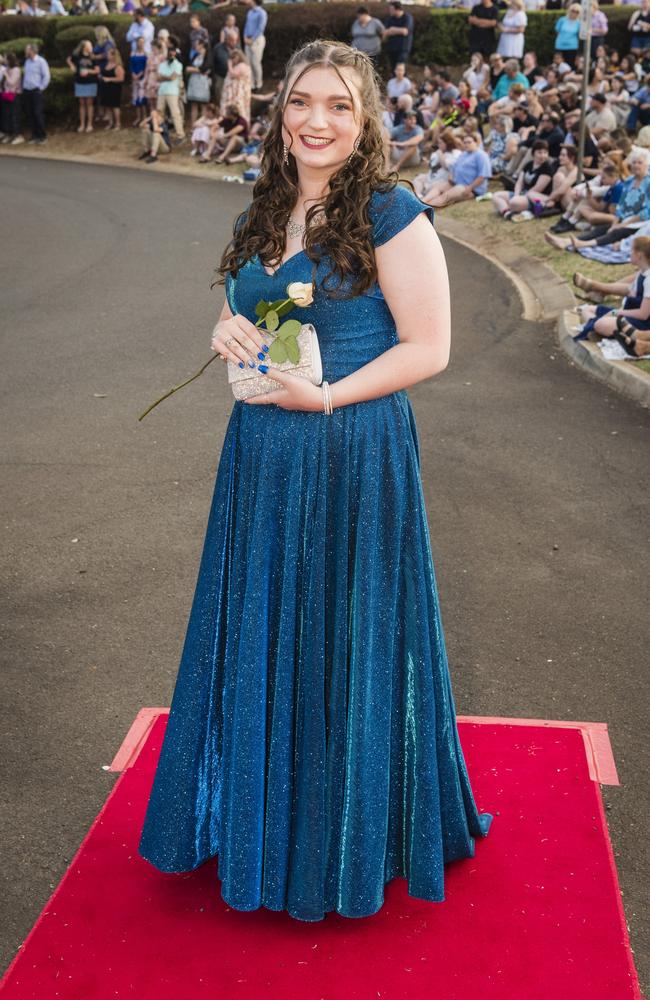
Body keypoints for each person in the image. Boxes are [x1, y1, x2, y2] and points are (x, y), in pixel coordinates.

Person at [137, 38, 493, 923]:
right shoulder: (264, 207)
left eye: (337, 105)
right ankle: (259, 821)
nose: (317, 121)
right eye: (301, 103)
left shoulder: (391, 211)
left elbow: (431, 349)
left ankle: (340, 840)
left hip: (352, 449)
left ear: (365, 116)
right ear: (280, 111)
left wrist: (328, 397)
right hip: (261, 450)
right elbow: (240, 304)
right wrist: (224, 330)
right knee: (265, 623)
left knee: (345, 630)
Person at [423, 131, 492, 207]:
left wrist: (470, 188)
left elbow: (482, 176)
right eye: (465, 142)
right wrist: (451, 175)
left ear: (476, 143)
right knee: (438, 187)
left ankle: (425, 208)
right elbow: (454, 167)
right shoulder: (464, 154)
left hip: (469, 187)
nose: (466, 144)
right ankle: (423, 201)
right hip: (455, 182)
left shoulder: (481, 155)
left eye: (469, 142)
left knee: (446, 196)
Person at [66, 39, 99, 134]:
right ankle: (82, 124)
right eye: (90, 46)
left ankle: (89, 124)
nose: (91, 47)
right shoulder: (77, 56)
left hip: (90, 82)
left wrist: (88, 71)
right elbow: (68, 59)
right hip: (79, 82)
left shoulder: (93, 58)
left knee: (89, 104)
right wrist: (72, 66)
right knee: (81, 104)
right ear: (84, 47)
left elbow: (97, 70)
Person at [22, 43, 49, 145]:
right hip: (27, 90)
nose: (25, 51)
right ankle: (34, 135)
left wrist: (41, 88)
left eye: (27, 50)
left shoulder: (41, 61)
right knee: (30, 114)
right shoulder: (27, 62)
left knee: (37, 113)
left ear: (32, 51)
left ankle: (42, 136)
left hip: (36, 91)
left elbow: (46, 76)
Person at [157, 43, 185, 142]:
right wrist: (167, 78)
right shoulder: (162, 65)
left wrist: (164, 77)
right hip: (162, 91)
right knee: (159, 113)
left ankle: (180, 135)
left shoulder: (178, 65)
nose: (171, 55)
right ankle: (160, 133)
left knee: (175, 113)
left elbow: (173, 77)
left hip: (172, 91)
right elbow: (158, 78)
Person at [220, 48, 252, 125]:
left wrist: (229, 64)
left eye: (233, 58)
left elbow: (233, 74)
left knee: (239, 110)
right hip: (232, 94)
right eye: (231, 58)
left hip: (238, 94)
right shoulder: (237, 66)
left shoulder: (243, 66)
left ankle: (241, 127)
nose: (232, 60)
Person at [98, 45, 124, 130]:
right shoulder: (107, 64)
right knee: (107, 106)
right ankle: (110, 122)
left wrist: (109, 79)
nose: (107, 55)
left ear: (113, 56)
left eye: (108, 54)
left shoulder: (118, 66)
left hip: (114, 89)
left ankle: (118, 123)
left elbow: (121, 78)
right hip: (106, 88)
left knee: (115, 106)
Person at [383, 1, 414, 73]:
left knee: (400, 70)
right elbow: (385, 32)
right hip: (391, 49)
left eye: (391, 10)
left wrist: (392, 29)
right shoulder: (390, 19)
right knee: (393, 70)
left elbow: (405, 31)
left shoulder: (407, 17)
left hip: (403, 49)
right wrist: (395, 31)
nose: (390, 11)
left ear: (398, 9)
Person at [243, 0, 267, 93]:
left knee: (255, 62)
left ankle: (259, 84)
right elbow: (246, 26)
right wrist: (245, 37)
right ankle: (252, 84)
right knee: (248, 63)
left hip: (257, 40)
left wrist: (252, 39)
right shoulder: (249, 12)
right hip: (247, 40)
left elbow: (261, 28)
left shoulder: (262, 13)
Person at [1, 53, 22, 145]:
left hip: (14, 95)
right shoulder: (7, 69)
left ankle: (17, 135)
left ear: (9, 60)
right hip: (6, 94)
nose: (4, 61)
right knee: (7, 116)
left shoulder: (16, 70)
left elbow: (12, 82)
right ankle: (9, 134)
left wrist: (6, 74)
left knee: (14, 116)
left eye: (5, 59)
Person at [554, 4, 581, 69]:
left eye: (577, 12)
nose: (574, 13)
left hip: (572, 47)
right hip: (560, 46)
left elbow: (579, 35)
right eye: (573, 11)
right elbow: (557, 31)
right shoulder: (562, 20)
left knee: (570, 65)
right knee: (558, 64)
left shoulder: (578, 23)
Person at [129, 36, 148, 125]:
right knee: (136, 97)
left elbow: (146, 66)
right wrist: (133, 74)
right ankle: (138, 117)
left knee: (142, 98)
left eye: (142, 42)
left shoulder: (146, 53)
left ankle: (144, 117)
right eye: (139, 42)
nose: (141, 44)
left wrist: (141, 74)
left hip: (143, 77)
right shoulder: (133, 53)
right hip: (135, 77)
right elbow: (131, 65)